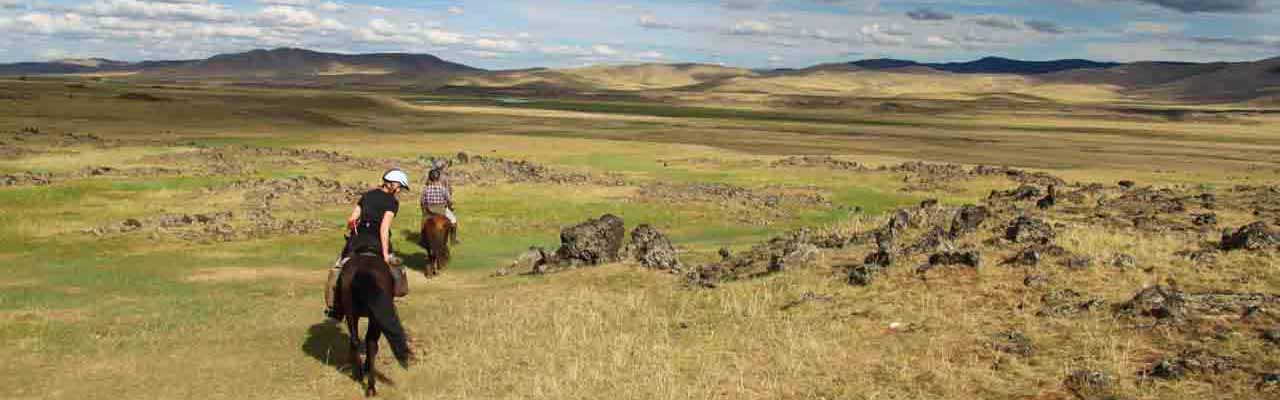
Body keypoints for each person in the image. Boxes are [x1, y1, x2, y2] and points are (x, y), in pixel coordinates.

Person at [324, 169, 410, 319]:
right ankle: (390, 303)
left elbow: (351, 220)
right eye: (399, 187)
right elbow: (384, 228)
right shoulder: (392, 202)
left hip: (357, 240)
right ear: (391, 183)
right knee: (395, 271)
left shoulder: (367, 195)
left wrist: (354, 226)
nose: (399, 190)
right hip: (377, 241)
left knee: (338, 268)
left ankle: (335, 308)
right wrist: (384, 254)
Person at [420, 168, 459, 245]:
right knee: (454, 221)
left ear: (429, 178)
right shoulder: (443, 189)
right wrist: (451, 205)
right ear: (438, 178)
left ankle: (423, 240)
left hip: (429, 211)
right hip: (441, 210)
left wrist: (424, 209)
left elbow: (422, 201)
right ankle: (453, 239)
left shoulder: (426, 189)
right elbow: (448, 200)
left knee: (423, 224)